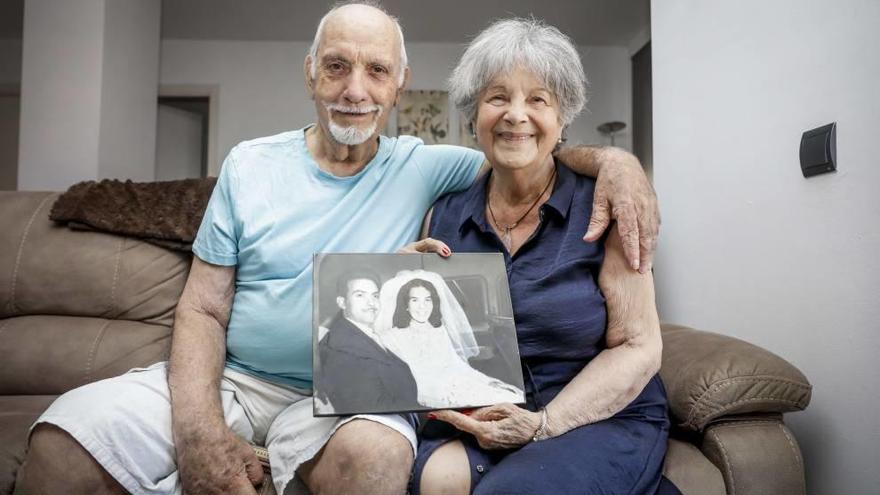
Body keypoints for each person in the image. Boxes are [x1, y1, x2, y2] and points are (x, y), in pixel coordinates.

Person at [19, 3, 661, 495]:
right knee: (58, 443)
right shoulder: (251, 165)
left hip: (353, 394)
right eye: (337, 66)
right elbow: (202, 310)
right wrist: (199, 430)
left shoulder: (428, 168)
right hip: (235, 381)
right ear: (310, 72)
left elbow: (527, 148)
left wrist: (616, 163)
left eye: (376, 70)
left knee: (382, 460)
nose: (356, 89)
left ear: (399, 84)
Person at [405, 19, 680, 494]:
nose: (516, 115)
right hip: (485, 414)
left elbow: (641, 348)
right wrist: (402, 278)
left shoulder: (607, 205)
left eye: (538, 99)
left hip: (596, 415)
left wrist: (542, 424)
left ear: (562, 118)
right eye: (498, 98)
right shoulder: (443, 215)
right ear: (475, 115)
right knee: (430, 481)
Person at [375, 270, 524, 409]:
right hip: (429, 394)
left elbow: (457, 365)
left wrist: (486, 381)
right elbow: (406, 380)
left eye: (428, 300)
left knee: (510, 396)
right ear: (406, 305)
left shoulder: (439, 331)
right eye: (415, 300)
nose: (422, 307)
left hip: (458, 383)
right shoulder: (391, 337)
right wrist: (451, 392)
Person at [316, 271, 419, 414]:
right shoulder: (340, 347)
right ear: (342, 302)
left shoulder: (362, 333)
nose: (371, 303)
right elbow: (369, 406)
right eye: (360, 295)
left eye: (375, 296)